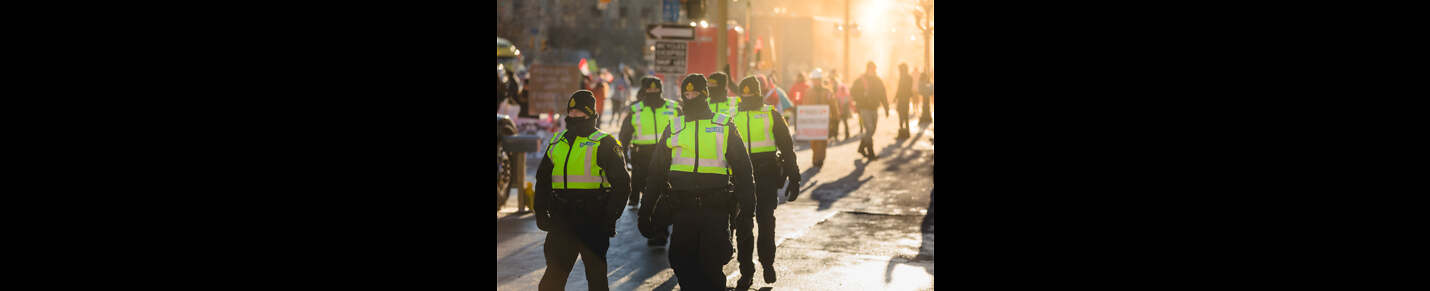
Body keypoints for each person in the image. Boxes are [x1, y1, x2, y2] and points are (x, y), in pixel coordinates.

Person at [639, 74, 757, 291]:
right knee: (682, 262)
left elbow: (743, 167)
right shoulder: (674, 127)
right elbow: (655, 173)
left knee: (711, 265)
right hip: (683, 209)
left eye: (694, 93)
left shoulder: (723, 125)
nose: (690, 97)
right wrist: (645, 210)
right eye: (686, 93)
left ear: (705, 94)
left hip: (716, 207)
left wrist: (748, 205)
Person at [533, 90, 632, 291]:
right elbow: (542, 181)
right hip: (562, 219)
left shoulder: (604, 143)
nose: (575, 116)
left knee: (596, 278)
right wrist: (541, 212)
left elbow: (622, 184)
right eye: (572, 111)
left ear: (591, 114)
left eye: (580, 112)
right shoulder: (557, 141)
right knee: (553, 278)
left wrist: (609, 217)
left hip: (592, 220)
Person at [730, 76, 801, 289]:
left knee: (766, 222)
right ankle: (746, 271)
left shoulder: (771, 114)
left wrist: (794, 177)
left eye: (750, 93)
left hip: (766, 176)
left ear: (758, 93)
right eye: (745, 94)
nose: (747, 97)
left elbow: (787, 149)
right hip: (741, 179)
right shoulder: (731, 118)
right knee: (743, 225)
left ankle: (767, 264)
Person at [619, 76, 683, 247]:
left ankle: (660, 232)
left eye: (656, 90)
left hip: (668, 157)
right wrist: (623, 156)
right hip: (643, 158)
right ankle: (652, 227)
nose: (653, 92)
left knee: (664, 194)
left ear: (661, 90)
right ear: (644, 91)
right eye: (650, 90)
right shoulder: (636, 110)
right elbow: (624, 135)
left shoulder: (674, 108)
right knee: (648, 195)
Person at [850, 61, 890, 160]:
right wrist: (861, 97)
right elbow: (852, 91)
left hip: (874, 108)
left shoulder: (878, 80)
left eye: (873, 69)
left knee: (872, 130)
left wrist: (886, 108)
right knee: (869, 129)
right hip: (864, 108)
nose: (872, 71)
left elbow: (883, 94)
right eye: (870, 68)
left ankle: (861, 147)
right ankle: (871, 152)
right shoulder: (861, 80)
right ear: (867, 69)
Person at [805, 69, 839, 168]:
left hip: (824, 121)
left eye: (817, 79)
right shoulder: (808, 92)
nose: (815, 81)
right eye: (814, 80)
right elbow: (804, 106)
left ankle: (819, 160)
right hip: (812, 121)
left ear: (820, 80)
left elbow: (833, 105)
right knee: (814, 141)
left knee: (822, 142)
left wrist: (835, 118)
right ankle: (816, 158)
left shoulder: (827, 92)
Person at [830, 70, 853, 141]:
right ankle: (836, 135)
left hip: (842, 105)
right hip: (838, 105)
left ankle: (846, 134)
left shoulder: (840, 86)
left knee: (842, 120)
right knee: (837, 121)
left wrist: (843, 107)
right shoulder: (835, 86)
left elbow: (845, 96)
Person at [894, 63, 914, 139]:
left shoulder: (904, 77)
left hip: (903, 99)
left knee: (902, 115)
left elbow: (900, 88)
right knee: (904, 115)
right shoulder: (908, 77)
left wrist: (896, 97)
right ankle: (905, 132)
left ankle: (903, 132)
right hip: (905, 99)